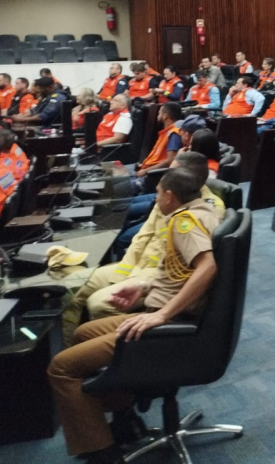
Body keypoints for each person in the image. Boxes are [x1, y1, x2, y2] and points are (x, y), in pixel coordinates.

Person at [47, 168, 221, 463]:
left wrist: (162, 313)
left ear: (169, 196)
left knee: (61, 367)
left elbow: (208, 266)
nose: (155, 199)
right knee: (82, 334)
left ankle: (104, 453)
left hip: (172, 325)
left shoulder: (184, 223)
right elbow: (180, 274)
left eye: (158, 194)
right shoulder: (204, 212)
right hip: (167, 311)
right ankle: (124, 417)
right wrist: (144, 287)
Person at [135, 102, 184, 179]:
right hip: (145, 170)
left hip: (151, 176)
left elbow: (170, 161)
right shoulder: (166, 132)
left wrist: (146, 171)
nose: (158, 116)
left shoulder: (174, 134)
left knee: (115, 186)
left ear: (165, 116)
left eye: (159, 113)